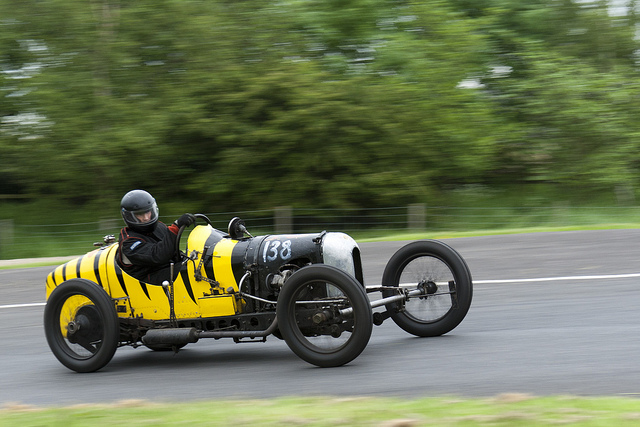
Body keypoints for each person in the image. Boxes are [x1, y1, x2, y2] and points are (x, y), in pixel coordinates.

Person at [118, 189, 195, 284]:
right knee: (190, 271)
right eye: (140, 214)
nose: (146, 218)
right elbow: (158, 256)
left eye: (148, 212)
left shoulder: (159, 227)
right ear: (129, 216)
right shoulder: (128, 241)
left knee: (199, 264)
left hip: (166, 270)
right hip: (147, 280)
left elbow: (174, 252)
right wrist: (176, 227)